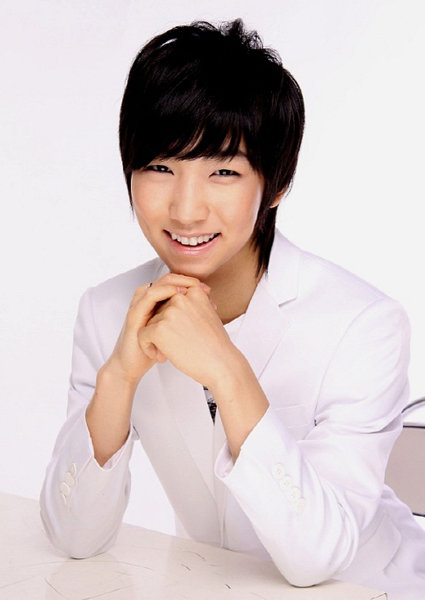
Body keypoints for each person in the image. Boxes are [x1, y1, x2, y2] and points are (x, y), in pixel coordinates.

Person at [40, 19, 425, 598]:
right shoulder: (107, 310)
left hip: (375, 587)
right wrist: (117, 377)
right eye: (160, 167)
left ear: (276, 185)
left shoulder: (363, 325)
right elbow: (73, 537)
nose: (186, 209)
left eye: (223, 171)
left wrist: (226, 369)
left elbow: (318, 558)